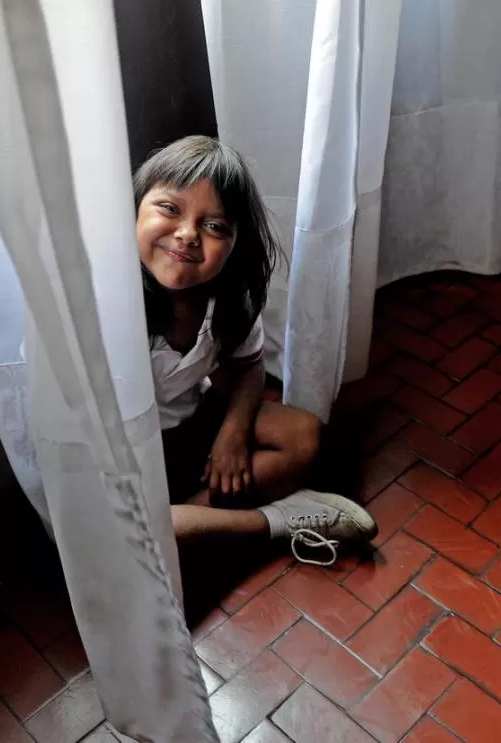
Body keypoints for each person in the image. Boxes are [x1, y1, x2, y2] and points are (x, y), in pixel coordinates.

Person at [135, 135, 377, 565]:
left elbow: (248, 369)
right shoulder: (113, 308)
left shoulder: (227, 302)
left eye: (214, 226)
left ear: (234, 245)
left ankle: (198, 520)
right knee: (147, 534)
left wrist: (232, 433)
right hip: (133, 456)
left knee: (304, 437)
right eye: (169, 209)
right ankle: (280, 521)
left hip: (191, 430)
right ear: (134, 210)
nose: (188, 234)